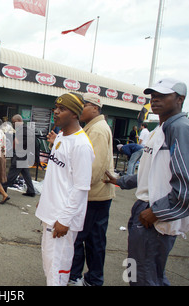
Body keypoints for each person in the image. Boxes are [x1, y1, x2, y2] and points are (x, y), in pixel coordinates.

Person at [104, 78, 189, 286]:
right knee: (134, 269)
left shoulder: (181, 129)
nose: (155, 100)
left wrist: (156, 212)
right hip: (144, 208)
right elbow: (149, 174)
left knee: (145, 276)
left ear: (180, 99)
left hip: (155, 214)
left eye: (162, 96)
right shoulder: (160, 129)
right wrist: (120, 180)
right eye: (153, 96)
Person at [36, 92, 95, 286]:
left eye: (62, 109)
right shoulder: (61, 136)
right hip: (49, 213)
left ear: (75, 114)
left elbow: (80, 188)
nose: (56, 112)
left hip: (61, 220)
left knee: (57, 270)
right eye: (56, 107)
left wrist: (65, 220)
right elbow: (57, 177)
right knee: (49, 265)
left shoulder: (81, 145)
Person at [68, 93, 115, 286]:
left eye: (84, 105)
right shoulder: (94, 127)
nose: (80, 109)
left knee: (80, 238)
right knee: (95, 241)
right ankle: (93, 278)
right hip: (97, 195)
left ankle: (76, 276)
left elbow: (92, 169)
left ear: (95, 107)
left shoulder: (97, 130)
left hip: (93, 196)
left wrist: (76, 191)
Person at [0, 114, 36, 197]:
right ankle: (31, 190)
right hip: (22, 154)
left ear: (19, 121)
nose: (13, 124)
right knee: (25, 173)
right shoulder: (22, 129)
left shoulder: (25, 129)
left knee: (12, 172)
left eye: (14, 122)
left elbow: (30, 141)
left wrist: (19, 143)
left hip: (21, 154)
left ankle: (2, 187)